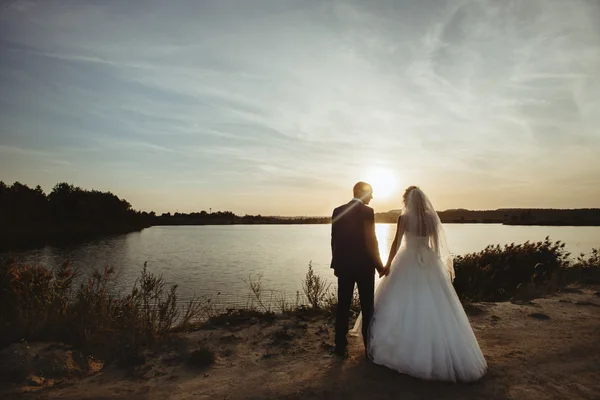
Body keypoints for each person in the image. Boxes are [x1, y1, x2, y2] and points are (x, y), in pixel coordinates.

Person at [352, 186, 487, 382]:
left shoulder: (404, 219)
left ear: (407, 201)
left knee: (401, 302)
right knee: (434, 305)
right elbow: (436, 245)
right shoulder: (431, 219)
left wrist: (386, 266)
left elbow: (396, 245)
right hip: (429, 261)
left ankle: (407, 348)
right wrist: (437, 265)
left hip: (407, 261)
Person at [330, 181, 387, 358]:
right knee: (367, 306)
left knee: (343, 306)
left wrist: (337, 263)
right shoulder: (367, 212)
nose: (372, 197)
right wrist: (380, 265)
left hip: (344, 266)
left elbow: (334, 240)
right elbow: (371, 240)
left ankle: (340, 346)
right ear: (361, 193)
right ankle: (368, 347)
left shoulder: (338, 211)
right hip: (364, 266)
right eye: (370, 193)